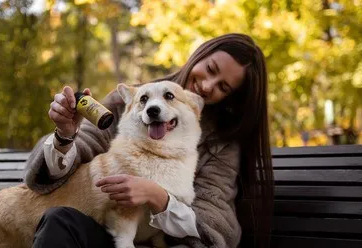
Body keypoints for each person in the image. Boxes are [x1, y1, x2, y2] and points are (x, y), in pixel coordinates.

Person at [25, 33, 274, 248]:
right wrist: (66, 135)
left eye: (223, 87)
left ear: (231, 99)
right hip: (107, 233)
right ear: (200, 54)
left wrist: (158, 197)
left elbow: (214, 225)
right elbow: (86, 146)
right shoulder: (132, 100)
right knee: (59, 221)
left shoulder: (222, 145)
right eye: (210, 70)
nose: (208, 86)